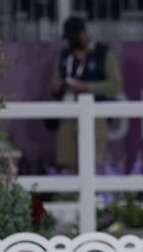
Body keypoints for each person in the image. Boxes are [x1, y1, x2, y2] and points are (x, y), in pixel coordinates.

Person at [49, 17, 123, 173]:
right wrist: (59, 87)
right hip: (67, 115)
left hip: (95, 117)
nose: (70, 42)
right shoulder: (64, 56)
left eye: (73, 38)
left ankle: (95, 197)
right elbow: (53, 84)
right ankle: (66, 197)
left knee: (93, 163)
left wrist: (86, 87)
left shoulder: (103, 54)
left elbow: (116, 84)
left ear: (83, 34)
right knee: (66, 163)